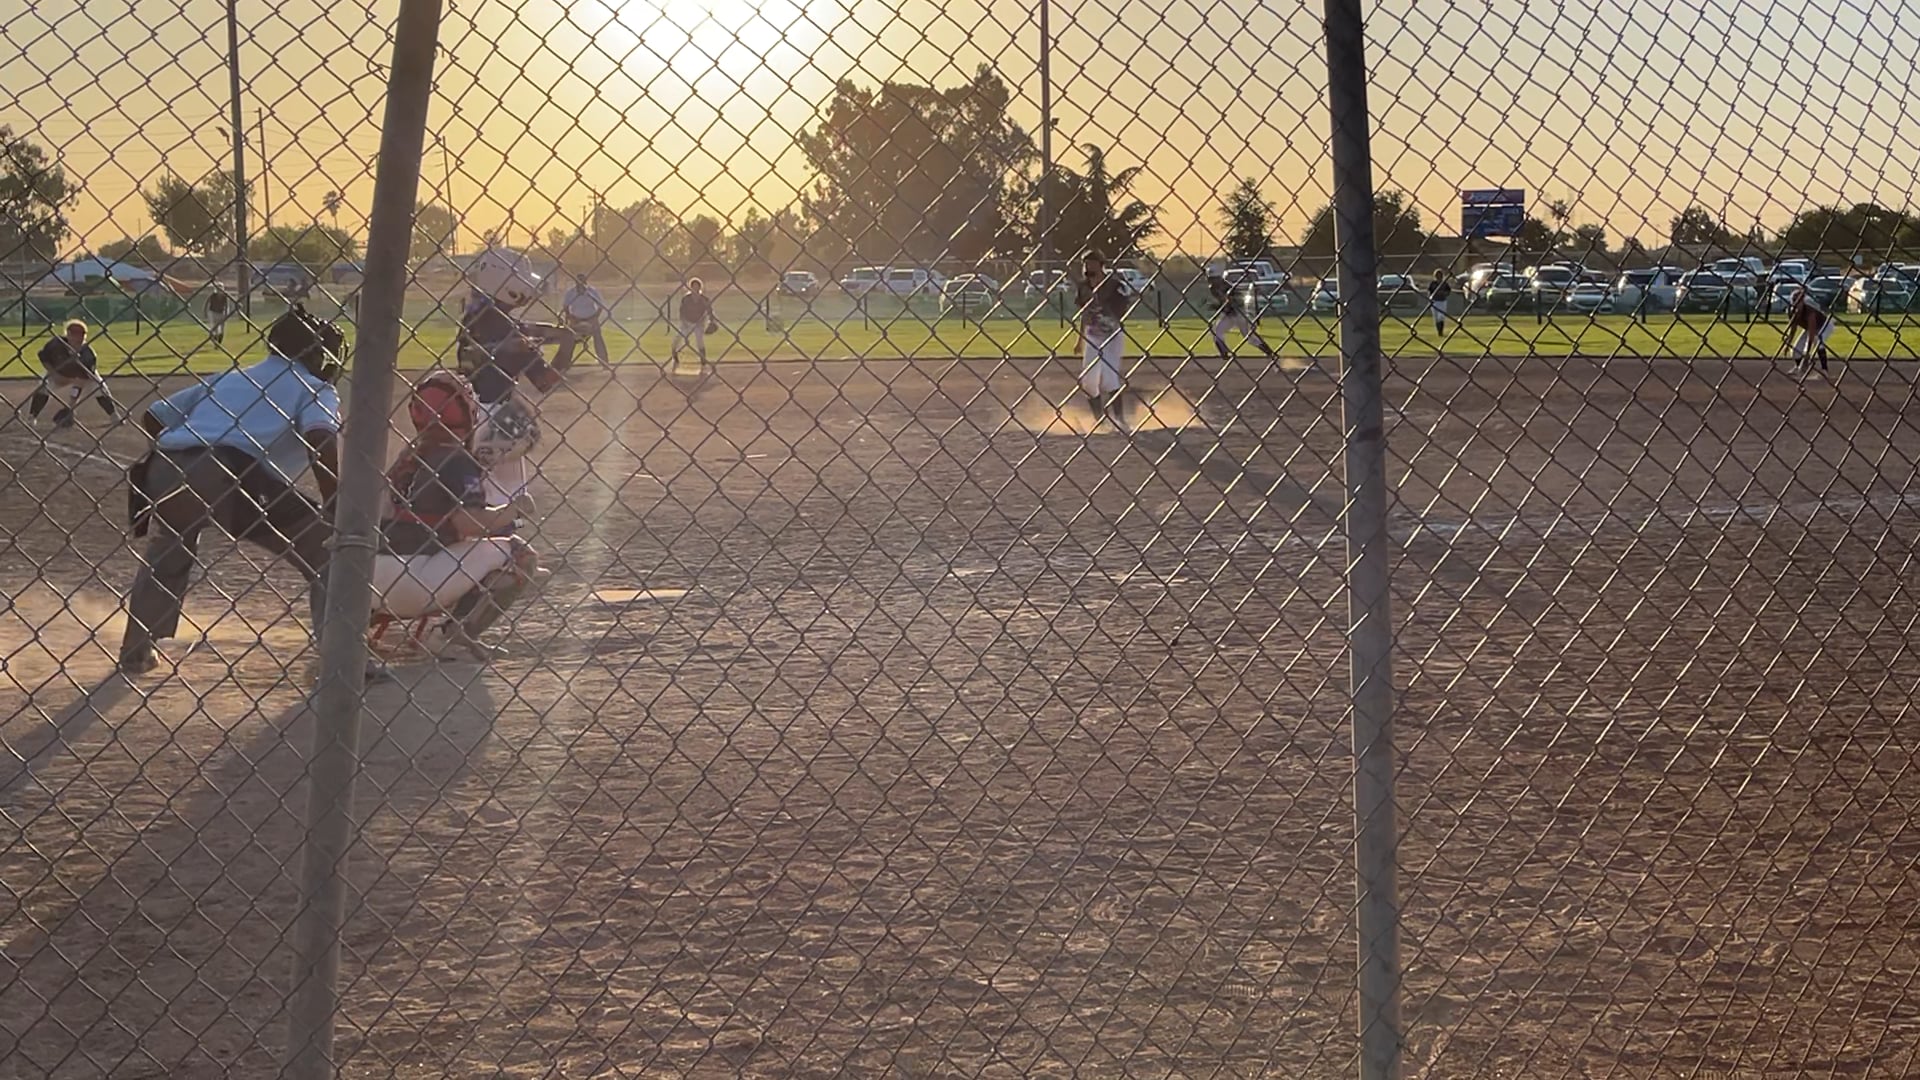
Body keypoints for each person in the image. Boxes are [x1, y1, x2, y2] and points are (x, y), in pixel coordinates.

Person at [118, 305, 375, 679]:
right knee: (327, 554)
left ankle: (136, 651)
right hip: (229, 471)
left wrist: (188, 457)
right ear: (316, 355)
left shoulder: (232, 377)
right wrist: (334, 501)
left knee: (170, 549)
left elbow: (155, 416)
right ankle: (343, 661)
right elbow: (320, 437)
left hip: (162, 469)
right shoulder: (316, 387)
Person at [373, 371, 540, 660]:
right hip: (419, 581)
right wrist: (514, 510)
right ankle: (448, 637)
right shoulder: (457, 460)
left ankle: (357, 628)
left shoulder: (408, 456)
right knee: (520, 555)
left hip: (370, 580)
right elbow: (469, 522)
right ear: (466, 412)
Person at [457, 246, 575, 514]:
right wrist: (567, 346)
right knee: (507, 504)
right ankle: (500, 534)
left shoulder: (475, 314)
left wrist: (556, 332)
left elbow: (521, 327)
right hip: (498, 418)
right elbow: (545, 381)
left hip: (469, 410)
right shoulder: (507, 331)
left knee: (483, 497)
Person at [29, 320, 120, 430]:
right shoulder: (55, 344)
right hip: (58, 372)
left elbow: (82, 381)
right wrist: (55, 374)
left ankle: (114, 415)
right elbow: (44, 358)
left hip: (80, 376)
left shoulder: (88, 354)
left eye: (82, 333)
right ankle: (32, 416)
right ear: (68, 334)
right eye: (75, 333)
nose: (79, 337)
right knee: (44, 385)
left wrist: (71, 406)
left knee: (99, 386)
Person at [1076, 251, 1131, 425]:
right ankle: (1099, 420)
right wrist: (1080, 340)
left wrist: (1105, 309)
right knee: (1088, 382)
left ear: (1101, 265)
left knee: (1109, 378)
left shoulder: (1114, 286)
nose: (1088, 267)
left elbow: (1122, 310)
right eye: (1086, 264)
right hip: (1093, 336)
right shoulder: (1083, 287)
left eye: (1092, 263)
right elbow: (1083, 314)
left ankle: (1120, 420)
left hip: (1112, 336)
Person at [1207, 270, 1278, 362]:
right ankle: (1224, 353)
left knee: (1248, 336)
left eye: (1213, 278)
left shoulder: (1225, 287)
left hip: (1238, 313)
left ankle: (1269, 352)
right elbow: (1225, 304)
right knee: (1218, 332)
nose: (1211, 281)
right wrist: (1218, 306)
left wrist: (1218, 306)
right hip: (1233, 315)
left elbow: (1230, 303)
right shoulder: (1216, 287)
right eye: (1211, 279)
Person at [1785, 284, 1835, 378]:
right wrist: (1788, 343)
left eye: (1799, 301)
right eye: (1794, 300)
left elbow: (1812, 332)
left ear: (1803, 302)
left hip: (1825, 325)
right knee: (1795, 349)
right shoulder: (1791, 312)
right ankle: (1799, 367)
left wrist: (1807, 352)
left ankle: (1824, 370)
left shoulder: (1809, 311)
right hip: (1810, 328)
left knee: (1817, 341)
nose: (1796, 303)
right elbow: (1793, 329)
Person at [563, 272, 611, 367]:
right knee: (569, 339)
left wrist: (594, 318)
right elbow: (566, 307)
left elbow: (600, 306)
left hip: (591, 318)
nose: (581, 283)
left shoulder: (592, 291)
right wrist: (571, 318)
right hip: (576, 319)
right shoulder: (570, 292)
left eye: (582, 281)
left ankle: (604, 362)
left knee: (598, 338)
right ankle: (565, 362)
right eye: (579, 281)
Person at [671, 278, 715, 375]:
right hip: (687, 323)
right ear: (690, 287)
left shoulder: (704, 299)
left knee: (699, 341)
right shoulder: (686, 299)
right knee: (677, 338)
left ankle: (703, 360)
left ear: (700, 287)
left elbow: (710, 311)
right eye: (693, 286)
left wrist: (711, 321)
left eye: (697, 286)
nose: (695, 288)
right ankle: (675, 355)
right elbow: (682, 311)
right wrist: (684, 321)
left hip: (699, 323)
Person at [1427, 269, 1453, 345]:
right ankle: (1439, 331)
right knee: (1436, 317)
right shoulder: (1433, 283)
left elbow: (1448, 291)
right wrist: (1431, 297)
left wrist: (1444, 293)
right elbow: (1429, 291)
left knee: (1441, 316)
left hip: (1442, 301)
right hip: (1434, 301)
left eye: (1440, 275)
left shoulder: (1444, 284)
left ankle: (1441, 331)